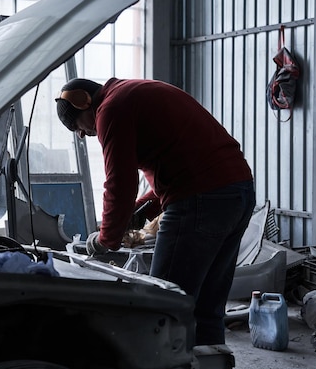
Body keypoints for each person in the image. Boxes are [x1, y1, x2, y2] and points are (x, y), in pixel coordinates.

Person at [55, 77, 255, 347]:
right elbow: (180, 166)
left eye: (78, 127)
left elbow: (119, 183)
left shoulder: (110, 110)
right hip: (237, 193)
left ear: (84, 103)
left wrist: (105, 239)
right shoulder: (132, 92)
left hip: (201, 199)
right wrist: (140, 209)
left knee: (161, 306)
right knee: (208, 306)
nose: (82, 134)